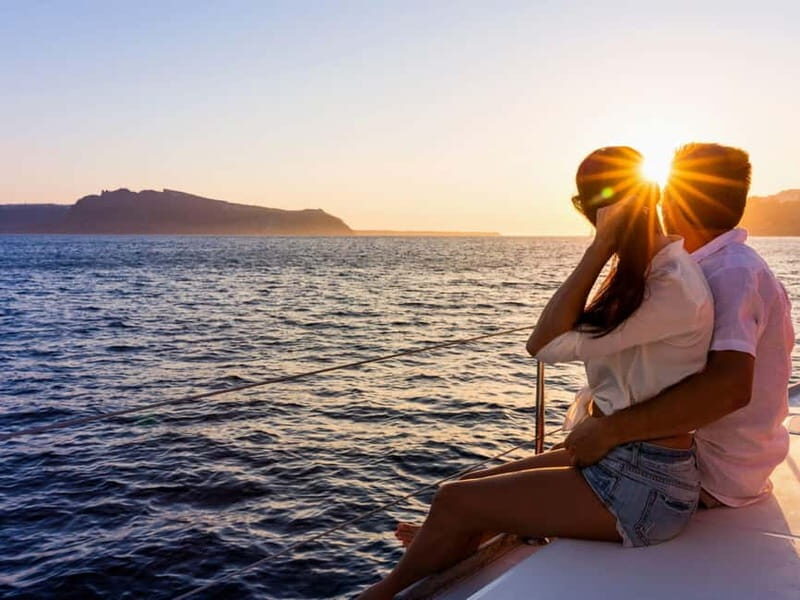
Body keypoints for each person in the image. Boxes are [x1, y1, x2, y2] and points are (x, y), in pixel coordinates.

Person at [357, 146, 714, 599]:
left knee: (453, 501)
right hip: (622, 461)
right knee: (466, 489)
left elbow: (541, 344)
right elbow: (554, 340)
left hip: (646, 489)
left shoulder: (669, 285)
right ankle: (447, 547)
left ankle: (380, 594)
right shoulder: (648, 271)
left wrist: (601, 245)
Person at [563, 143, 794, 509]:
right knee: (487, 490)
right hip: (703, 459)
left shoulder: (732, 273)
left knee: (475, 504)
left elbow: (729, 388)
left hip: (707, 471)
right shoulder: (717, 266)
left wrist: (610, 430)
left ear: (672, 199)